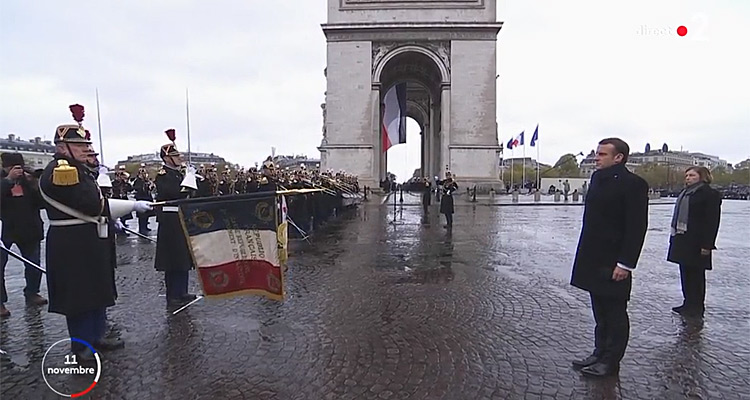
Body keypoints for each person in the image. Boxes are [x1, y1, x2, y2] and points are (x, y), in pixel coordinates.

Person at [39, 104, 151, 359]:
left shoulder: (79, 170)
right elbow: (93, 204)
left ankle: (96, 334)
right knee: (79, 295)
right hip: (72, 242)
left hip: (89, 238)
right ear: (61, 148)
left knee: (97, 288)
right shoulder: (61, 172)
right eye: (80, 146)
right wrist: (131, 205)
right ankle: (81, 345)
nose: (87, 150)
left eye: (87, 146)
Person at [570, 137, 649, 377]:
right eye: (597, 153)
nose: (597, 158)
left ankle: (611, 360)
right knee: (600, 311)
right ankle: (599, 352)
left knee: (615, 312)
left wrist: (625, 263)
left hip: (615, 259)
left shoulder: (634, 184)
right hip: (593, 255)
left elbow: (637, 227)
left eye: (603, 154)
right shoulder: (596, 178)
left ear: (619, 157)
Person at [667, 166, 722, 318]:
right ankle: (687, 302)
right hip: (683, 237)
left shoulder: (709, 194)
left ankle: (697, 305)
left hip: (698, 240)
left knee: (696, 275)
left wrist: (707, 244)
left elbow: (712, 221)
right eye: (687, 175)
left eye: (692, 175)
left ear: (702, 176)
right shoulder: (685, 193)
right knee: (685, 272)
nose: (688, 178)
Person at [1, 152, 47, 318]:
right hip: (5, 229)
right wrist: (8, 181)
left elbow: (42, 203)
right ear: (5, 167)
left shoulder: (28, 182)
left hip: (29, 228)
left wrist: (34, 183)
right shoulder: (2, 180)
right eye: (13, 167)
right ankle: (0, 302)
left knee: (33, 263)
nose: (17, 171)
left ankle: (32, 292)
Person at [154, 129, 197, 307]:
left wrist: (191, 179)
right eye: (176, 156)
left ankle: (183, 290)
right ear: (166, 158)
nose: (180, 158)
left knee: (183, 256)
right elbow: (172, 193)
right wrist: (187, 181)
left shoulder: (179, 173)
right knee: (173, 258)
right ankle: (173, 293)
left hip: (181, 217)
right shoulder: (163, 175)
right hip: (170, 220)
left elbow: (191, 194)